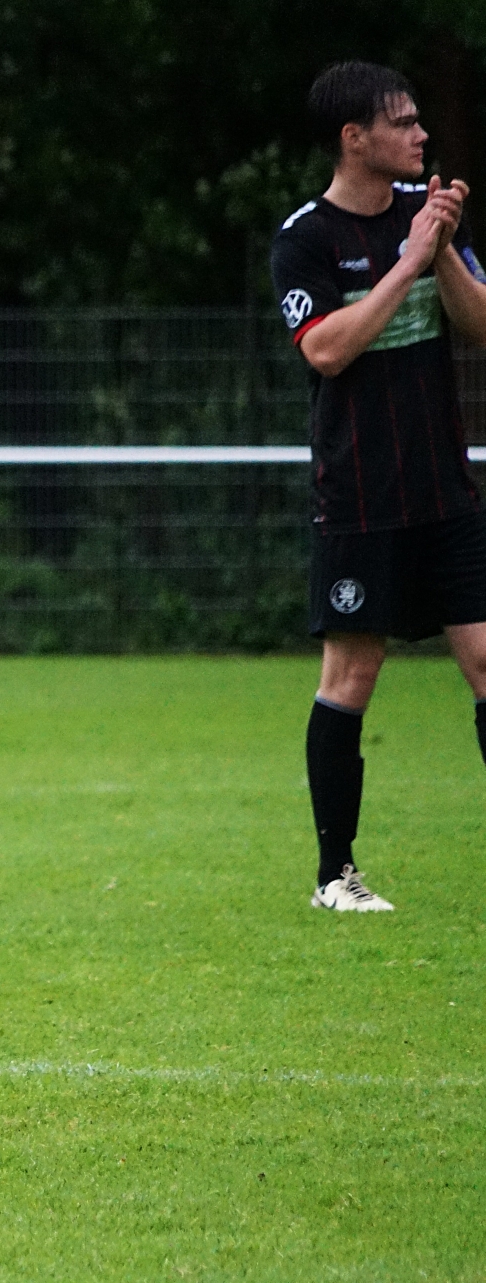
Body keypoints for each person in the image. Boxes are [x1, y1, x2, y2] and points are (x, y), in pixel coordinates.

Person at [272, 61, 486, 913]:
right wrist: (407, 262)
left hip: (446, 491)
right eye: (402, 122)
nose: (421, 134)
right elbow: (326, 350)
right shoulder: (305, 240)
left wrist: (444, 249)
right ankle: (336, 876)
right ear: (354, 138)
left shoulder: (426, 214)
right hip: (360, 497)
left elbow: (481, 324)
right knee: (352, 675)